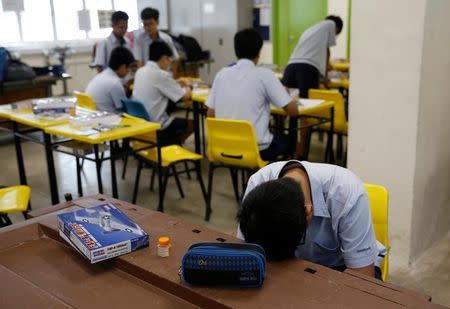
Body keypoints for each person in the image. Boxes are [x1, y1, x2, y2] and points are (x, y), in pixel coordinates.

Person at [237, 160, 383, 279]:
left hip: (340, 268)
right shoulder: (258, 183)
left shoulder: (347, 194)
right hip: (283, 263)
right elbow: (247, 254)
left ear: (308, 211)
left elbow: (362, 278)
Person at [206, 28, 298, 161]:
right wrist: (285, 93)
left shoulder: (221, 74)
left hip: (223, 147)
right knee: (289, 140)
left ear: (236, 51)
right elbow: (293, 111)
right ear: (259, 52)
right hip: (257, 150)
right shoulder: (264, 75)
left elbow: (210, 114)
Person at [133, 41, 192, 145]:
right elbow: (185, 97)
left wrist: (175, 83)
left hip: (141, 124)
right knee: (192, 124)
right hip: (157, 126)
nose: (170, 64)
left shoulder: (140, 71)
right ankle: (172, 146)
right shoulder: (161, 74)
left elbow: (157, 84)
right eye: (170, 60)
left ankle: (170, 144)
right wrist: (188, 86)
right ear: (164, 58)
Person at [282, 15, 343, 97]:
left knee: (289, 102)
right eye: (336, 34)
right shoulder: (331, 24)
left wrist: (328, 67)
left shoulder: (311, 30)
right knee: (310, 104)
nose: (335, 36)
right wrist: (325, 77)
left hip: (290, 67)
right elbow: (327, 51)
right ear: (337, 28)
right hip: (306, 70)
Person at [86, 47, 135, 113]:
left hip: (95, 116)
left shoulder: (100, 76)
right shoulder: (115, 83)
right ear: (123, 67)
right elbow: (124, 110)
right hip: (109, 120)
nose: (128, 71)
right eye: (129, 68)